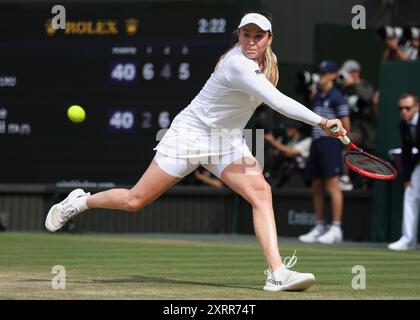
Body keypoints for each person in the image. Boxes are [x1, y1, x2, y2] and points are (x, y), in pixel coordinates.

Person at [45, 12, 346, 291]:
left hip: (226, 142)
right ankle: (80, 202)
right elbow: (278, 102)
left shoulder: (269, 61)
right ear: (238, 36)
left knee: (261, 193)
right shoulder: (237, 63)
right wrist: (322, 121)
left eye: (258, 36)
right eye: (246, 35)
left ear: (269, 38)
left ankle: (276, 273)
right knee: (135, 200)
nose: (251, 41)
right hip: (189, 136)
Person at [298, 60, 350, 245]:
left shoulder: (337, 96)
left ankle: (336, 228)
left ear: (333, 75)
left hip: (331, 144)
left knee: (333, 187)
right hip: (317, 143)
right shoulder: (317, 95)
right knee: (317, 186)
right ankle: (320, 226)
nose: (322, 76)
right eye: (320, 73)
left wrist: (341, 145)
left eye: (325, 73)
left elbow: (346, 125)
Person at [388, 92, 420, 251]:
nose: (404, 111)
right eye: (401, 108)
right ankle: (408, 239)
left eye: (407, 108)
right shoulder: (403, 125)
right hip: (417, 165)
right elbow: (407, 152)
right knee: (410, 193)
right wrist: (407, 177)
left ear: (417, 107)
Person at [264, 119, 312, 188]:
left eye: (290, 127)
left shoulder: (307, 140)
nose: (287, 129)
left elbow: (291, 152)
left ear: (296, 128)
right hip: (284, 177)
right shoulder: (286, 140)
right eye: (286, 127)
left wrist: (273, 141)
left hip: (300, 177)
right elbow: (276, 153)